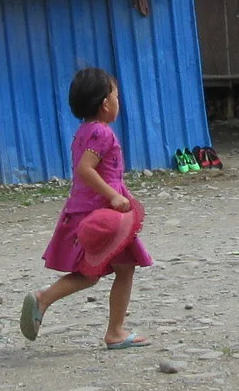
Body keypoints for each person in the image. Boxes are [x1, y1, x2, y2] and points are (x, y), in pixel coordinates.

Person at [20, 65, 152, 349]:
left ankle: (47, 302)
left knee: (99, 272)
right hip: (101, 216)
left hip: (85, 210)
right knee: (116, 270)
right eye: (116, 96)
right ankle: (112, 331)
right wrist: (114, 197)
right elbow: (85, 169)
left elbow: (99, 171)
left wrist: (121, 194)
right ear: (105, 104)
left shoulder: (84, 131)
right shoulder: (102, 133)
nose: (118, 101)